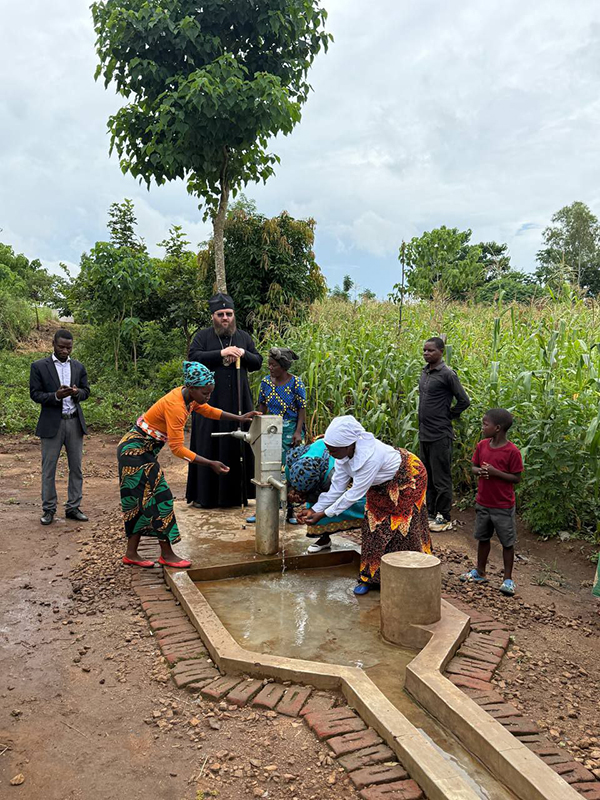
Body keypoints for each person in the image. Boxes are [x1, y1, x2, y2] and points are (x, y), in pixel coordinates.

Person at [117, 361, 260, 569]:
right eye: (205, 393)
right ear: (191, 387)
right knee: (161, 497)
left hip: (141, 451)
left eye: (210, 393)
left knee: (140, 502)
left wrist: (239, 417)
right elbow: (177, 449)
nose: (207, 397)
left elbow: (209, 410)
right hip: (134, 451)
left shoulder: (187, 397)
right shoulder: (176, 406)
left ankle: (131, 553)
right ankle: (167, 554)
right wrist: (210, 462)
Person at [303, 416, 432, 594]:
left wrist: (323, 514)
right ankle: (370, 577)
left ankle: (408, 576)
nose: (330, 453)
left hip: (409, 477)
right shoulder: (342, 455)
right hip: (380, 484)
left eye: (333, 450)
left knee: (403, 527)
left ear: (348, 445)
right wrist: (315, 509)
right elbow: (337, 488)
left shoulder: (371, 456)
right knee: (373, 526)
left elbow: (353, 494)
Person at [186, 293, 263, 508]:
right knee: (208, 443)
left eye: (229, 314)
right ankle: (206, 497)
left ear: (233, 315)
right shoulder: (203, 337)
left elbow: (257, 361)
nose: (225, 318)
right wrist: (221, 353)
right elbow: (194, 357)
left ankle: (239, 496)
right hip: (209, 401)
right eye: (220, 314)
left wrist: (242, 353)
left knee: (238, 444)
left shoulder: (244, 337)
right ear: (213, 316)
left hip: (239, 401)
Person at [29, 329, 91, 525]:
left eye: (69, 347)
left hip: (74, 422)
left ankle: (73, 507)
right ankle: (49, 509)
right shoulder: (39, 366)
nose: (65, 350)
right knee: (49, 469)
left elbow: (86, 391)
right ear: (53, 344)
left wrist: (76, 392)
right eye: (61, 347)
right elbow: (35, 394)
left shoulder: (78, 367)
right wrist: (56, 396)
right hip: (51, 424)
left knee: (76, 468)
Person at [460, 409, 523, 596]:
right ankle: (480, 571)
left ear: (497, 428)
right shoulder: (482, 446)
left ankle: (508, 579)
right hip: (484, 502)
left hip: (503, 505)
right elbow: (474, 466)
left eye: (485, 425)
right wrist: (479, 471)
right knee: (483, 538)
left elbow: (516, 478)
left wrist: (496, 473)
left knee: (507, 542)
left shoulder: (512, 452)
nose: (482, 428)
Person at [246, 347, 307, 524]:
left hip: (290, 431)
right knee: (265, 469)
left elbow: (302, 409)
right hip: (270, 429)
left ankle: (290, 512)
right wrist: (257, 427)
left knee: (288, 470)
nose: (270, 368)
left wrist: (298, 432)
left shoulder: (296, 383)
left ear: (283, 366)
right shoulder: (266, 382)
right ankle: (262, 510)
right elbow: (262, 407)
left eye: (273, 365)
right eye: (269, 365)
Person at [418, 337, 470, 532]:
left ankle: (444, 515)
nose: (426, 353)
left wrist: (449, 415)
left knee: (441, 477)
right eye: (424, 350)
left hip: (440, 434)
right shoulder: (425, 372)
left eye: (430, 350)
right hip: (424, 434)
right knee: (427, 475)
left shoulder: (448, 374)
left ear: (441, 352)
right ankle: (430, 511)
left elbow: (464, 401)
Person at [287, 437, 366, 552]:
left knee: (360, 505)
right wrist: (294, 492)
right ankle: (323, 538)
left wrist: (320, 512)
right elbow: (291, 483)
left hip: (346, 485)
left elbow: (337, 494)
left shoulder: (332, 472)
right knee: (313, 508)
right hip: (323, 482)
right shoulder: (294, 463)